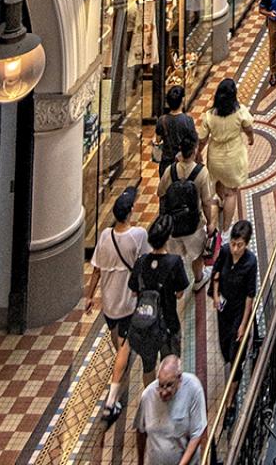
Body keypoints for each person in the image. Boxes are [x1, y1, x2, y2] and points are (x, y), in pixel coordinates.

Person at [89, 187, 148, 422]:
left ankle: (119, 368)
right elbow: (145, 259)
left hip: (109, 304)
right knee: (124, 347)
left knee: (119, 342)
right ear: (130, 211)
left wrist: (89, 296)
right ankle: (112, 400)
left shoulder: (104, 236)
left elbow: (95, 269)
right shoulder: (137, 235)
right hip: (127, 302)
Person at [125, 216, 189, 384]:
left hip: (146, 324)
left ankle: (149, 397)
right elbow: (180, 293)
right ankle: (168, 395)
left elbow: (133, 292)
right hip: (168, 323)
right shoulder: (174, 262)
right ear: (168, 238)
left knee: (148, 366)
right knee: (170, 364)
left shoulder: (141, 262)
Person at [157, 139, 215, 291]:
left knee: (175, 257)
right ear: (195, 150)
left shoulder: (170, 170)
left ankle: (178, 288)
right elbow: (206, 201)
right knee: (197, 255)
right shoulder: (201, 173)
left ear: (180, 151)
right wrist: (210, 222)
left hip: (173, 224)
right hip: (193, 224)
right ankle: (198, 279)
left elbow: (160, 192)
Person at [200, 78, 255, 230]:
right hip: (233, 157)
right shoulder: (240, 112)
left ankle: (220, 202)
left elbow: (202, 139)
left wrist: (198, 153)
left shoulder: (209, 115)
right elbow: (249, 127)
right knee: (232, 192)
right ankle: (225, 229)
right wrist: (250, 138)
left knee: (217, 182)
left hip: (215, 157)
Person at [134, 356, 207, 465]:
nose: (163, 392)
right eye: (160, 385)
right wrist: (140, 462)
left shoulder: (193, 388)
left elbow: (197, 434)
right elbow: (141, 432)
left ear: (179, 378)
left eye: (169, 385)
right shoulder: (148, 395)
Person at [208, 220, 257, 366]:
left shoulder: (250, 262)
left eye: (239, 245)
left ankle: (235, 376)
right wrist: (216, 296)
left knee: (236, 348)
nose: (235, 249)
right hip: (224, 309)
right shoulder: (224, 251)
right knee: (224, 342)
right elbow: (216, 273)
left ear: (246, 244)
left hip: (238, 310)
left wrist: (243, 323)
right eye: (233, 244)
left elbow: (250, 294)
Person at [154, 88, 197, 176]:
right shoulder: (187, 120)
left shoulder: (162, 120)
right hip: (183, 162)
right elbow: (194, 141)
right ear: (182, 100)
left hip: (166, 163)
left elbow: (158, 140)